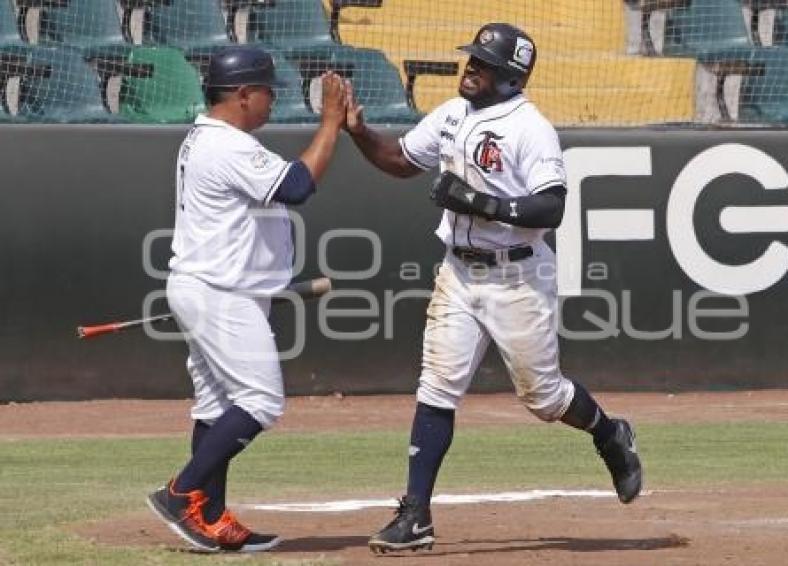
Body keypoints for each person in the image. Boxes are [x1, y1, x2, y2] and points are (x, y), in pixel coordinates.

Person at [344, 23, 643, 554]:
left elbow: (551, 206)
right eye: (471, 60)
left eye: (483, 64)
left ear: (511, 77)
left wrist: (477, 202)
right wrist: (359, 132)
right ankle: (415, 515)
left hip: (518, 276)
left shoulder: (531, 129)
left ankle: (608, 433)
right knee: (436, 387)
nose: (470, 68)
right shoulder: (452, 113)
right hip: (458, 273)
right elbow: (399, 161)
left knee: (544, 398)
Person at [145, 46, 347, 553]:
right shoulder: (227, 145)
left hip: (215, 287)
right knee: (260, 400)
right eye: (266, 92)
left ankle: (210, 518)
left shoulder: (206, 138)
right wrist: (331, 123)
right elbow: (297, 186)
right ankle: (181, 493)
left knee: (216, 406)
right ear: (242, 95)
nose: (271, 101)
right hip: (220, 293)